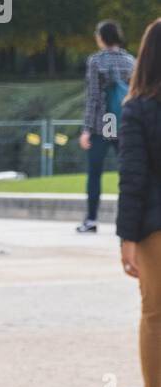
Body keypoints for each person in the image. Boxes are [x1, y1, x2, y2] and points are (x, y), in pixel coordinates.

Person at [116, 18, 161, 387]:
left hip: (154, 225)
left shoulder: (138, 110)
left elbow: (133, 178)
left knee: (155, 312)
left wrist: (126, 238)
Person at [78, 19, 135, 233]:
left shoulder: (96, 62)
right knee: (127, 174)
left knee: (95, 173)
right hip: (124, 123)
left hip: (105, 123)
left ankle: (91, 219)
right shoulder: (131, 61)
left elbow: (93, 98)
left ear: (102, 37)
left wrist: (86, 129)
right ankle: (126, 219)